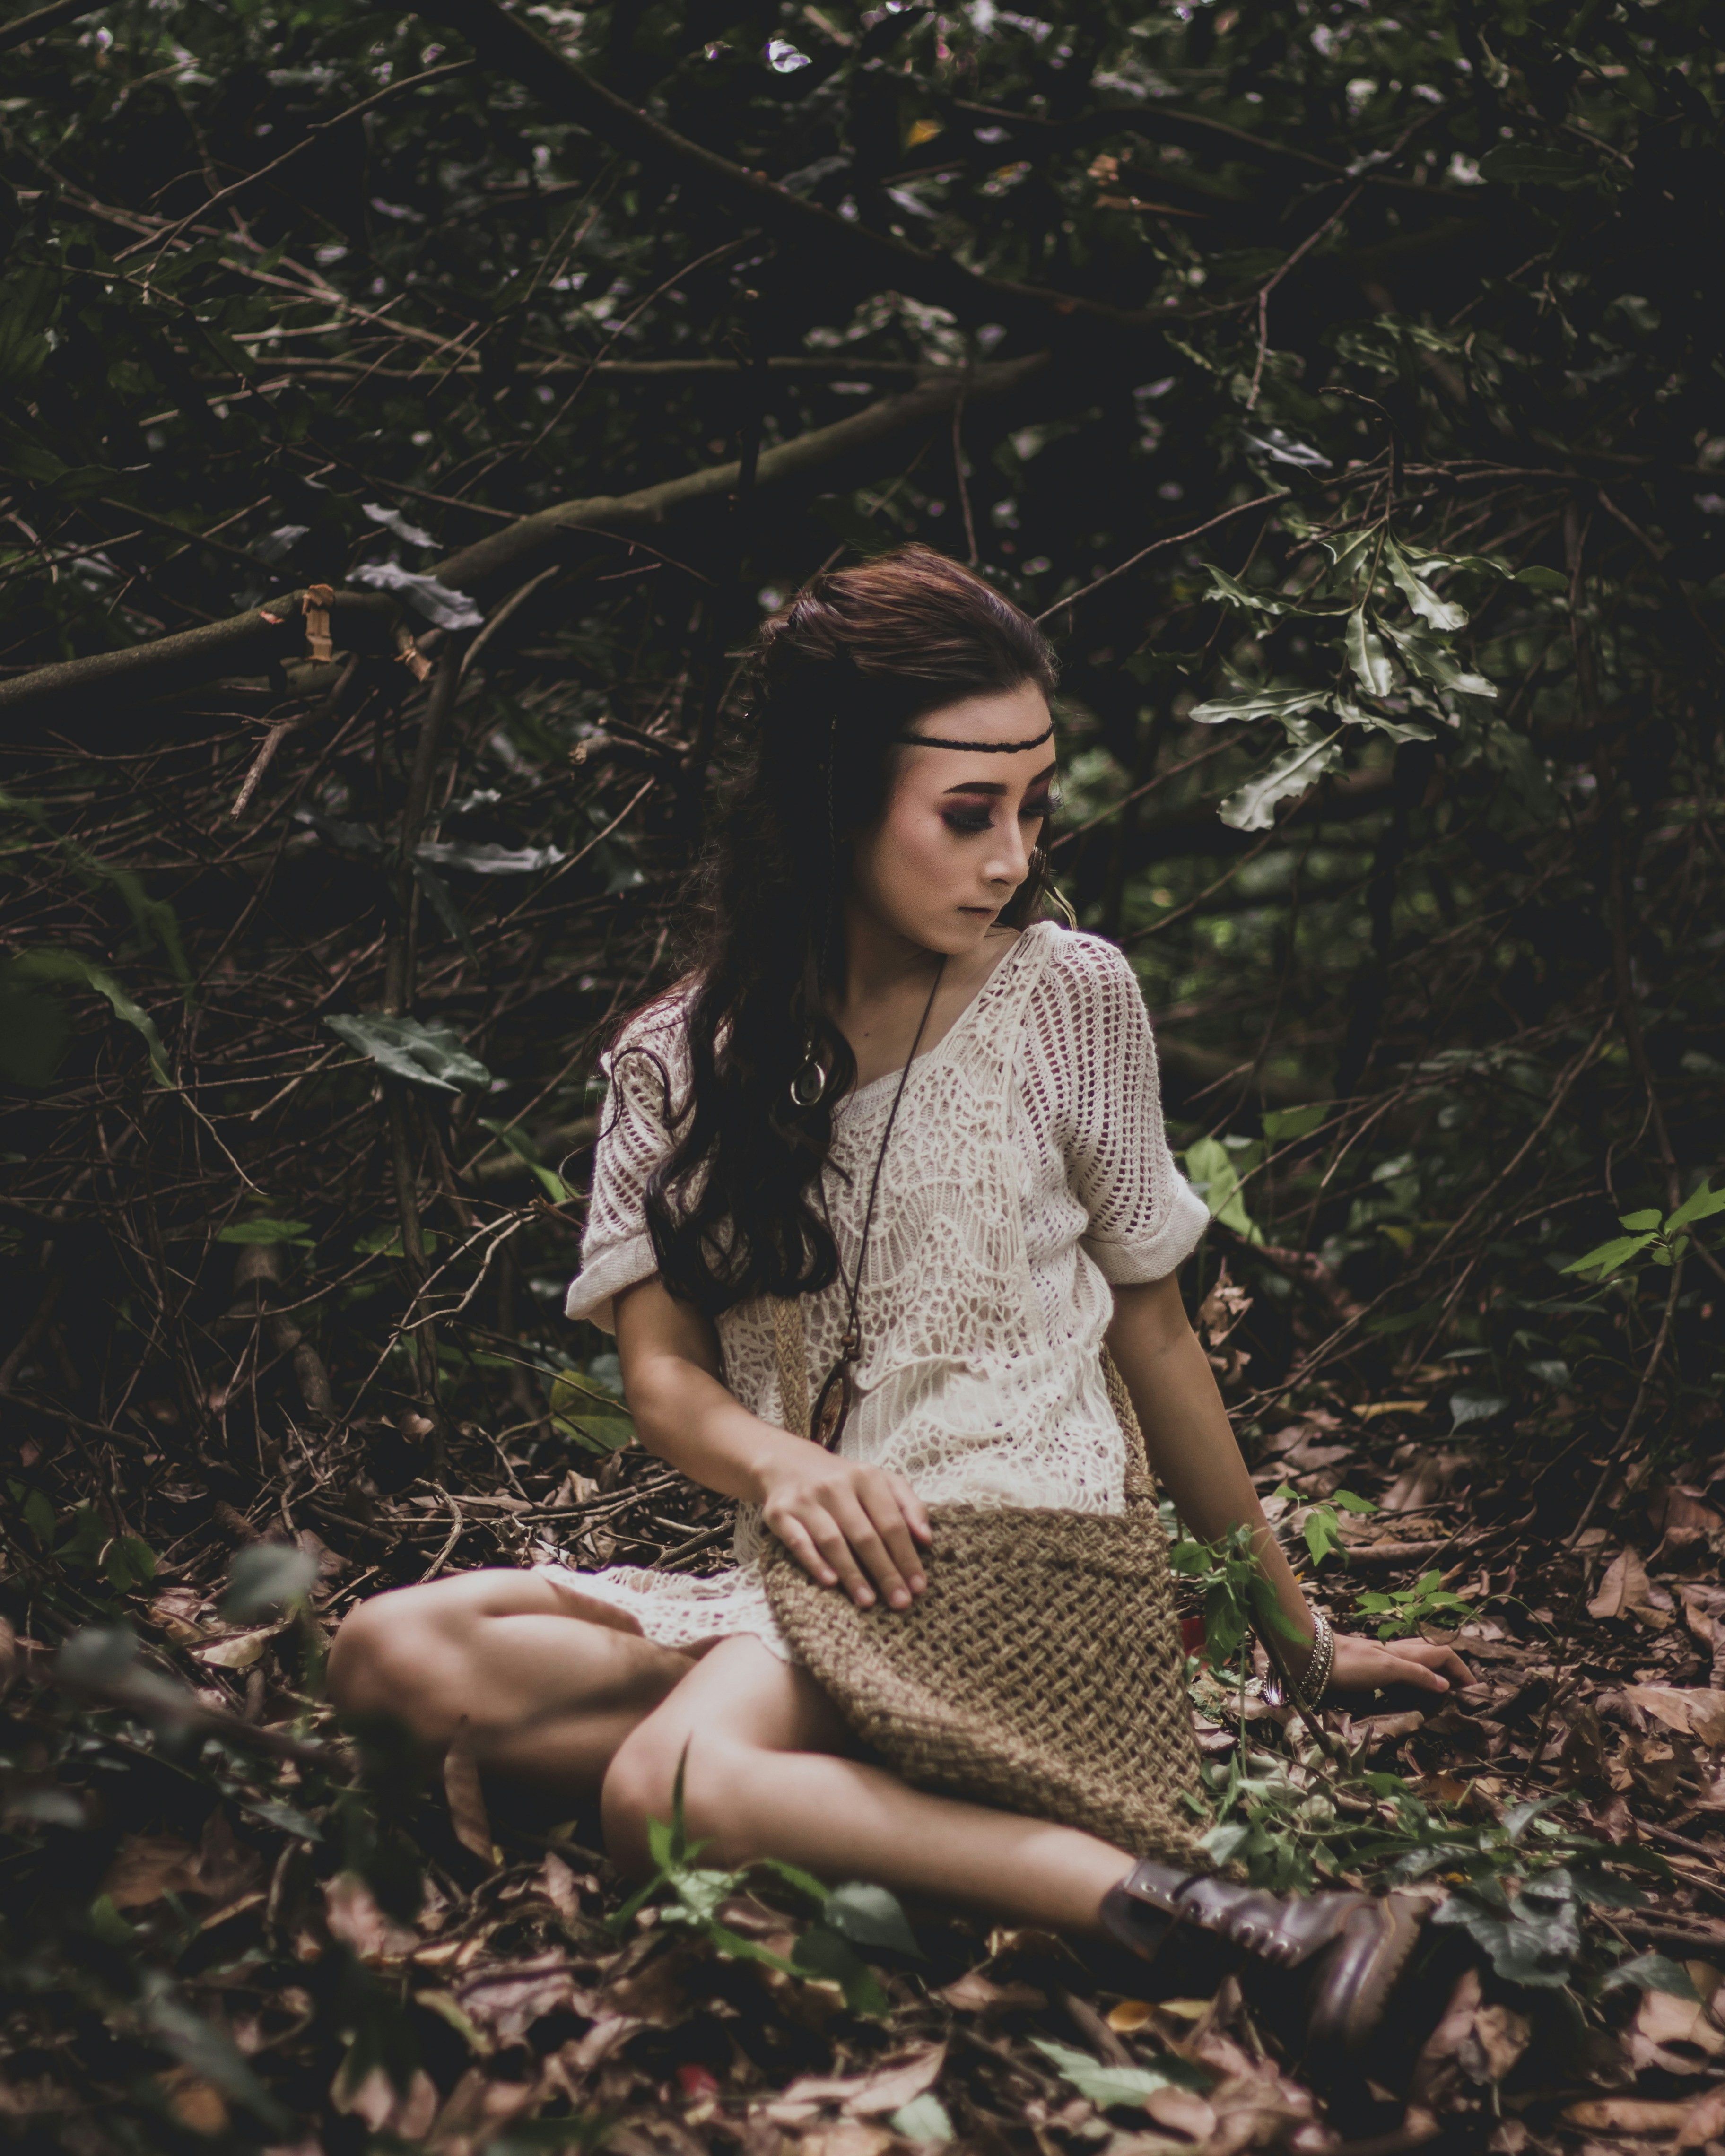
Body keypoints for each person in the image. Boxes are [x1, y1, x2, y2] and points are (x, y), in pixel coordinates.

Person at [329, 546, 1469, 2060]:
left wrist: (1297, 1640)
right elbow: (663, 1377)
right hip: (819, 1573)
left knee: (667, 1790)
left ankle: (1251, 1932)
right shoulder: (678, 1058)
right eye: (968, 813)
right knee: (392, 1659)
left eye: (1033, 809)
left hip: (1026, 1552)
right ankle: (904, 1811)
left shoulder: (1069, 996)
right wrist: (783, 1466)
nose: (1012, 856)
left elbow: (1158, 1331)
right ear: (830, 800)